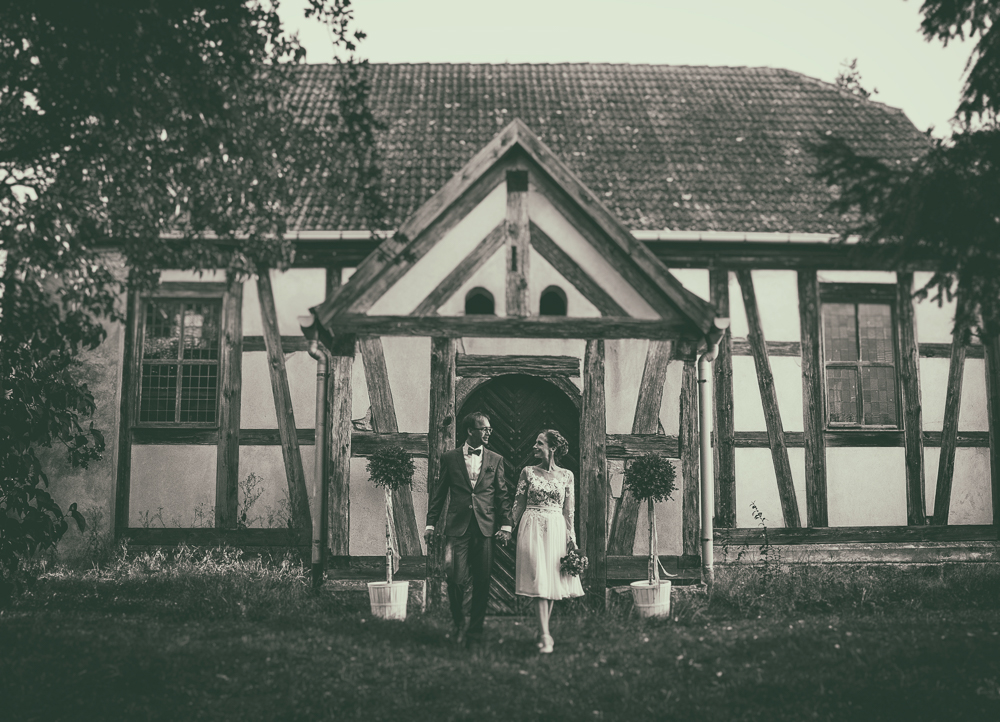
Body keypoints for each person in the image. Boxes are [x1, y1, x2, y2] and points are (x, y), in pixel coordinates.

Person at [425, 412, 512, 648]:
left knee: (482, 582)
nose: (488, 433)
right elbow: (439, 493)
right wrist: (431, 524)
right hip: (456, 529)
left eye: (489, 429)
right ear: (470, 431)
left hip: (485, 529)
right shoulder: (450, 458)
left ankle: (475, 632)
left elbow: (502, 496)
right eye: (484, 429)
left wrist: (506, 525)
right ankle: (458, 625)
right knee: (455, 579)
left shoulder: (496, 459)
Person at [511, 429, 584, 654]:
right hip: (531, 526)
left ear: (552, 448)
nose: (534, 446)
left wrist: (571, 539)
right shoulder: (527, 472)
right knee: (539, 577)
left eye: (539, 443)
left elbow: (569, 511)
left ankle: (543, 632)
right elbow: (518, 504)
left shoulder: (567, 476)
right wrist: (507, 528)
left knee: (550, 580)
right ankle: (545, 635)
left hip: (556, 529)